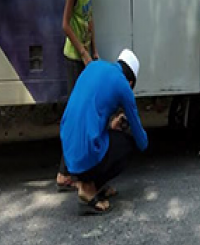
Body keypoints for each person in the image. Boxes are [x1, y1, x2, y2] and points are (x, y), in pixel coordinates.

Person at [60, 49, 148, 215]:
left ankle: (93, 184)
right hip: (85, 154)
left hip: (68, 150)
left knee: (107, 139)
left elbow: (91, 112)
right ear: (131, 82)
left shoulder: (94, 66)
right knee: (128, 144)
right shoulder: (123, 85)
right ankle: (87, 189)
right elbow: (141, 141)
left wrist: (110, 126)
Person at [56, 0, 99, 192]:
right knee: (75, 114)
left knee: (82, 112)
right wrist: (82, 52)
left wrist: (95, 49)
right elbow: (65, 24)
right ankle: (64, 173)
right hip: (73, 58)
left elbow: (89, 17)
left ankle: (71, 169)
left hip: (85, 56)